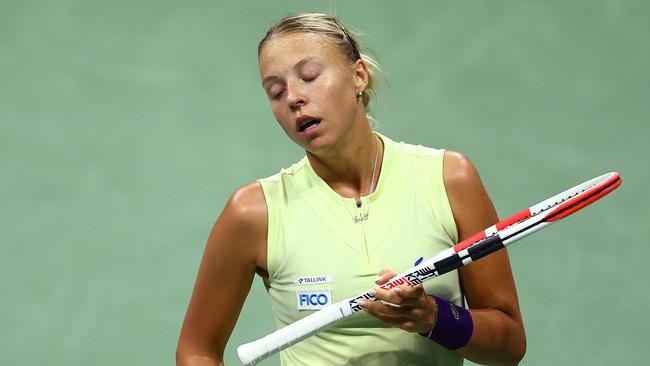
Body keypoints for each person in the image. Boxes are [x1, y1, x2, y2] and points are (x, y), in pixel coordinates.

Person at [177, 12, 526, 366]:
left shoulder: (450, 179)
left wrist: (432, 318)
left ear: (359, 76)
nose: (293, 98)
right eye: (276, 92)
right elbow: (196, 351)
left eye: (310, 77)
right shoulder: (254, 212)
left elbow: (509, 345)